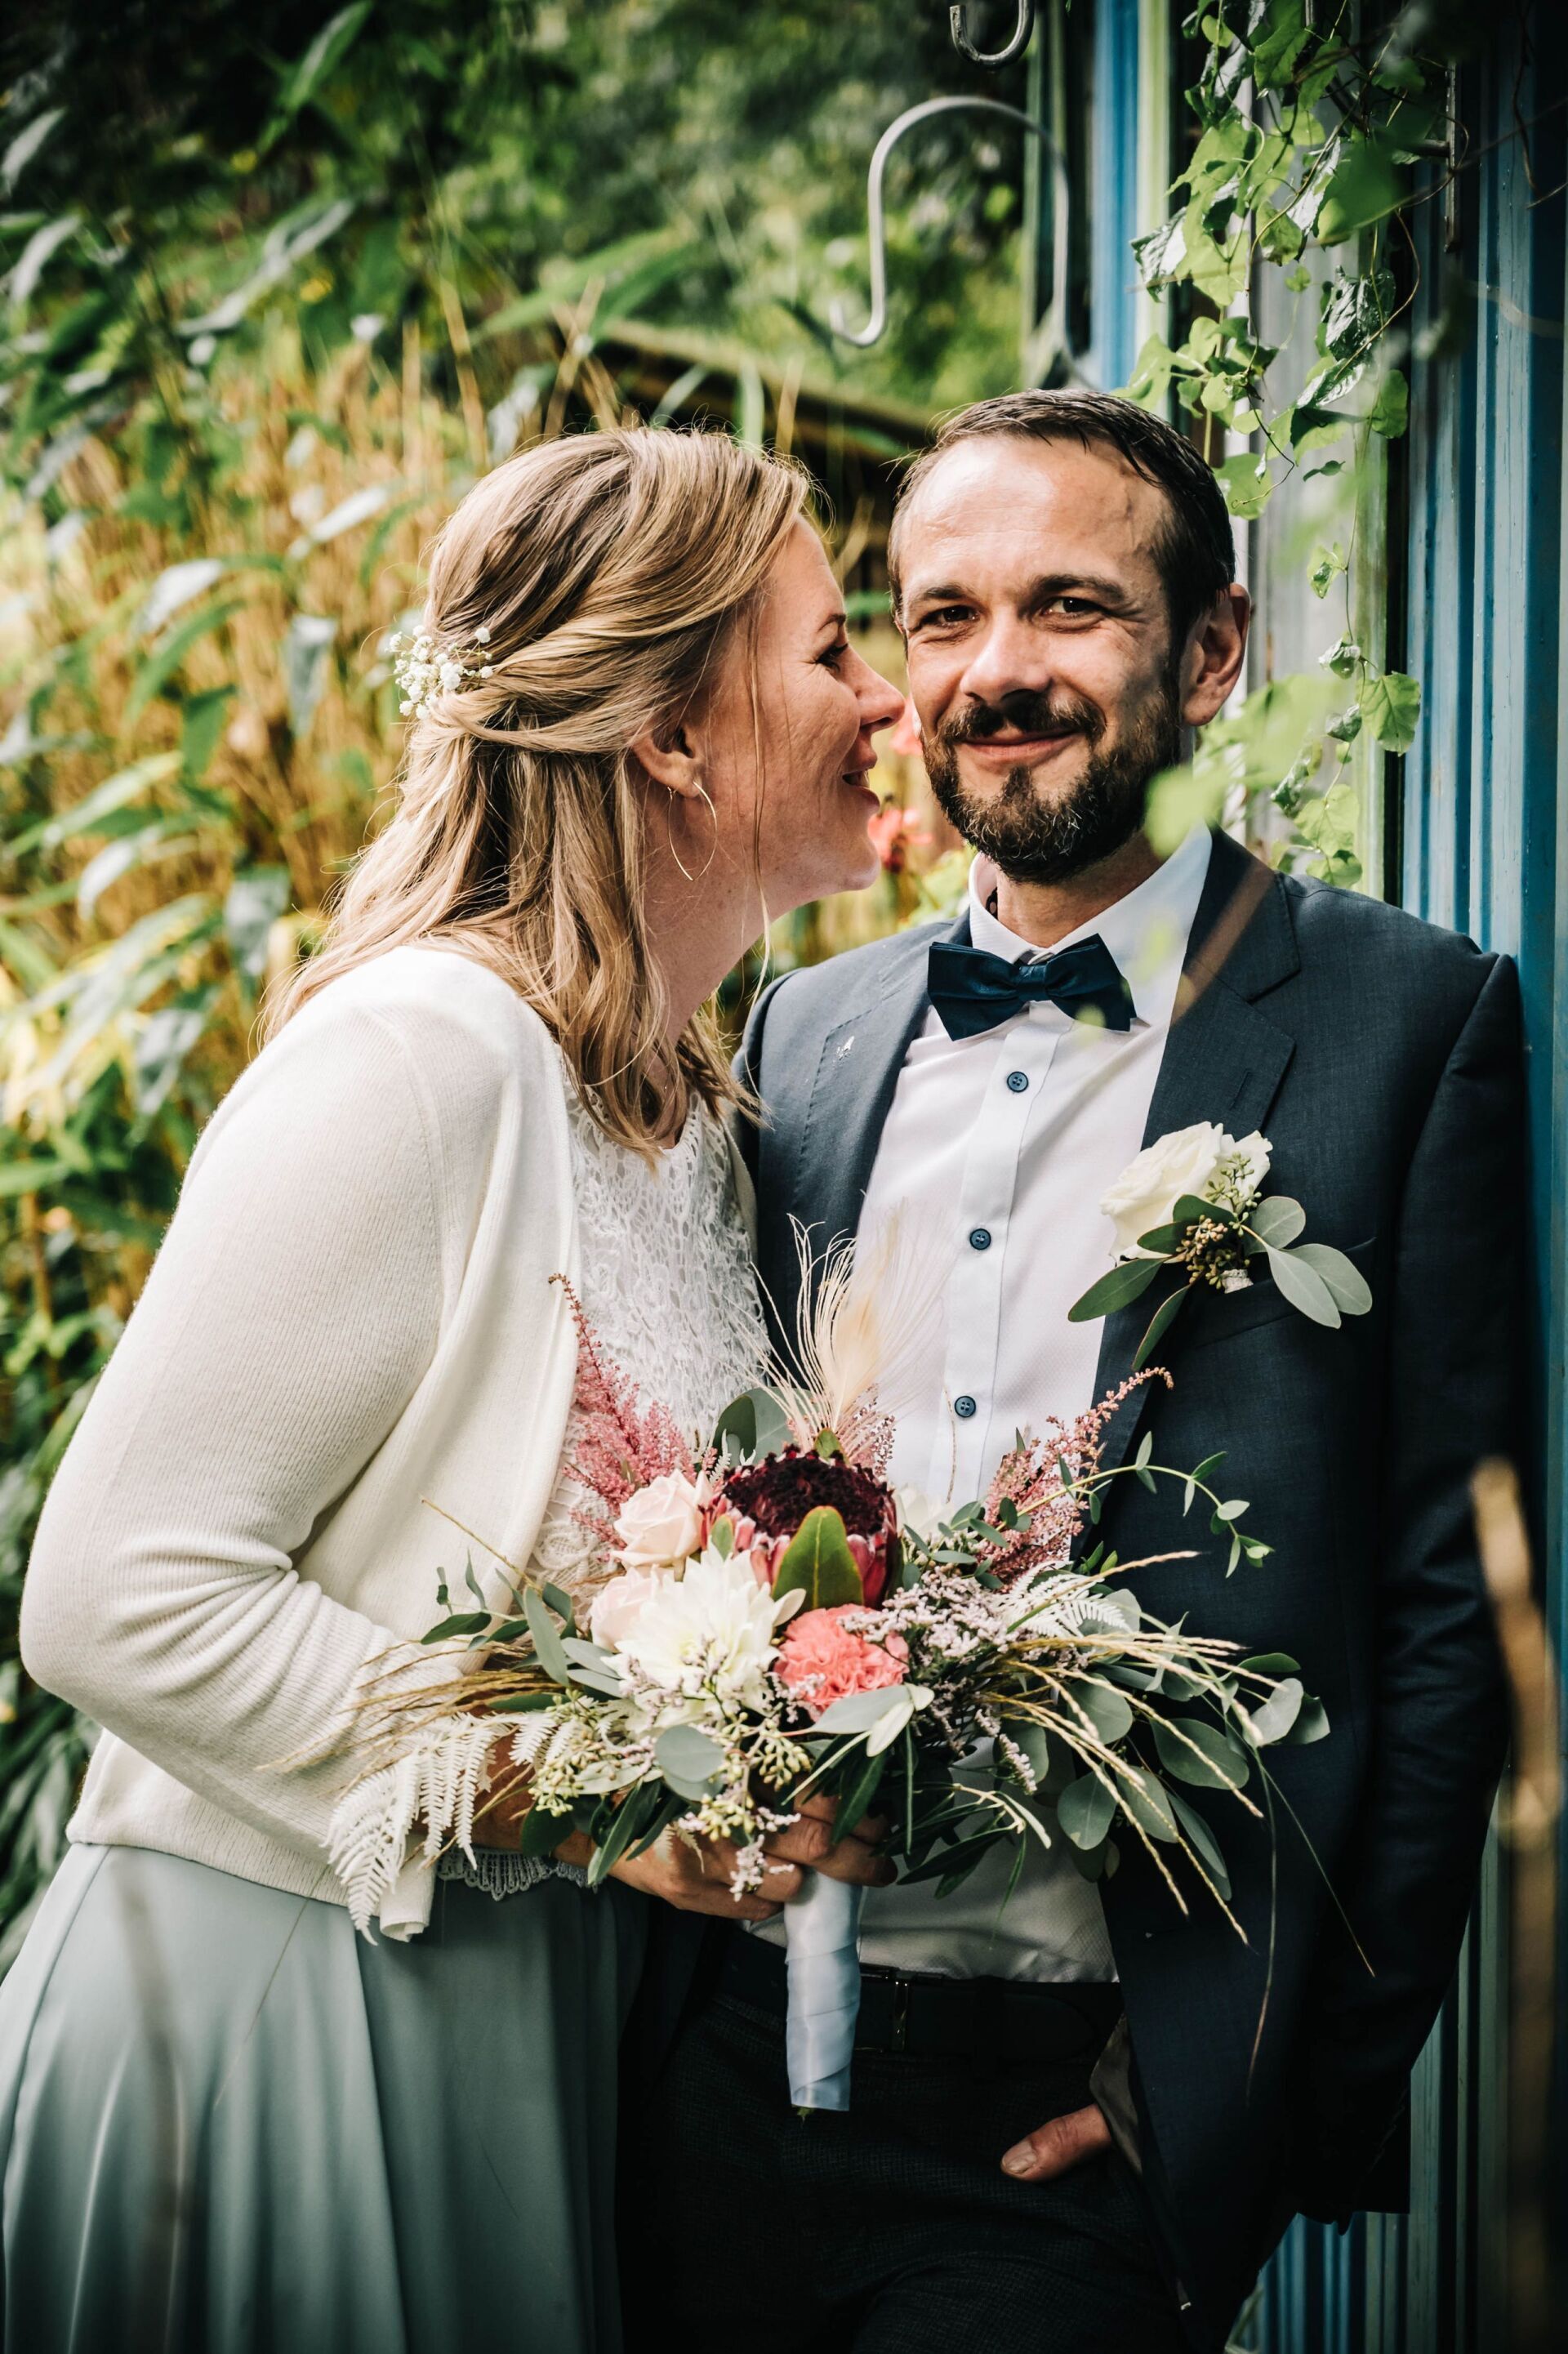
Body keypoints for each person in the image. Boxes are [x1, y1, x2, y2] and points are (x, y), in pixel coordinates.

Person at [632, 390, 1522, 2352]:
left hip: (1080, 2100)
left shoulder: (1410, 1021)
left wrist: (1262, 2089)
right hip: (724, 2065)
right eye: (942, 618)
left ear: (1209, 654)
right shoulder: (804, 1033)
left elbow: (1448, 1622)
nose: (997, 673)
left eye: (1070, 610)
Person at [1, 426, 904, 2354]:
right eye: (833, 648)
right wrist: (583, 1797)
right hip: (276, 2009)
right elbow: (111, 1594)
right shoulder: (423, 1057)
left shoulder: (677, 1118)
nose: (887, 693)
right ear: (672, 731)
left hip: (534, 2037)